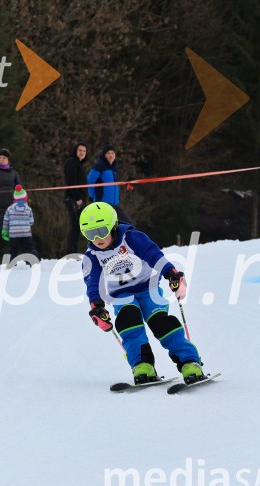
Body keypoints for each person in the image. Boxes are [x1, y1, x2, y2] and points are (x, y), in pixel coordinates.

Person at [80, 201, 204, 385]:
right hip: (121, 294)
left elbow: (154, 255)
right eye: (90, 233)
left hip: (148, 288)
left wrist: (170, 273)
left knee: (161, 323)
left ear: (113, 225)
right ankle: (142, 365)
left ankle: (189, 362)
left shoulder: (131, 238)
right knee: (128, 323)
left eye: (101, 231)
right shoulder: (92, 255)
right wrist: (97, 306)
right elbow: (93, 283)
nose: (97, 238)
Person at [87, 144, 133, 225]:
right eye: (108, 153)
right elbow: (90, 182)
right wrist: (92, 196)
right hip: (103, 204)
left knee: (128, 224)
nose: (111, 155)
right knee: (105, 228)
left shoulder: (115, 168)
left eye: (112, 153)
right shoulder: (99, 166)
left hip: (115, 204)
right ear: (104, 155)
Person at [63, 141, 88, 256]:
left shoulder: (79, 164)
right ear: (75, 151)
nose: (82, 153)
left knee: (79, 226)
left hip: (80, 199)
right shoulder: (71, 162)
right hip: (73, 199)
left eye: (84, 151)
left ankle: (73, 251)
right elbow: (71, 182)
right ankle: (71, 253)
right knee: (75, 226)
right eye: (80, 150)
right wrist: (77, 198)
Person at [2, 185, 38, 263]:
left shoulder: (9, 208)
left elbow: (6, 221)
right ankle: (32, 262)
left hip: (14, 234)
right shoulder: (28, 209)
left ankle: (11, 263)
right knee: (29, 248)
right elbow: (31, 221)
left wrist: (5, 231)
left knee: (13, 249)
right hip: (26, 233)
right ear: (25, 198)